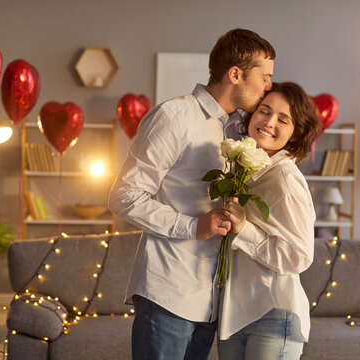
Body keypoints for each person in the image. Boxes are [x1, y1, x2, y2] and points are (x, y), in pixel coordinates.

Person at [108, 28, 276, 360]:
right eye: (265, 77)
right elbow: (125, 195)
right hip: (169, 293)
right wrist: (192, 226)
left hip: (210, 301)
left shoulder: (235, 128)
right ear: (235, 74)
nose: (268, 87)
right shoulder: (173, 117)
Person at [217, 82, 320, 360]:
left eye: (283, 119)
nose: (269, 122)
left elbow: (300, 256)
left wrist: (243, 230)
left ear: (295, 132)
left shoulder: (285, 179)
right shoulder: (246, 170)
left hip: (273, 315)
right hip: (235, 315)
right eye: (264, 111)